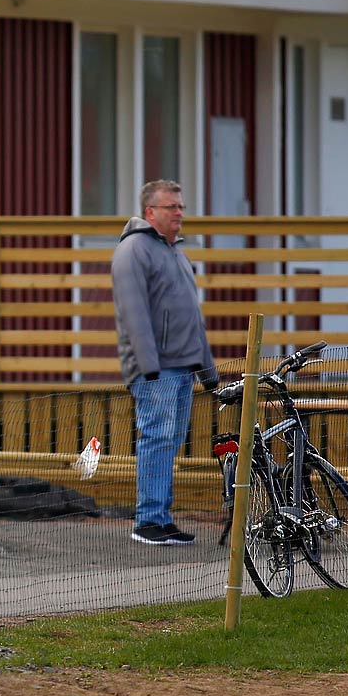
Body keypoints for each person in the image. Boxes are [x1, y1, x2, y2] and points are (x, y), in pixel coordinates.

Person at [112, 180, 218, 546]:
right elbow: (134, 314)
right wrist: (148, 367)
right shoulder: (133, 251)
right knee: (156, 439)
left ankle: (162, 517)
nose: (179, 213)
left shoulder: (176, 253)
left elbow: (192, 316)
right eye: (171, 207)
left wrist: (208, 369)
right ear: (150, 212)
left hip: (183, 366)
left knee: (170, 440)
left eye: (181, 206)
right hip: (157, 369)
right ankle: (148, 520)